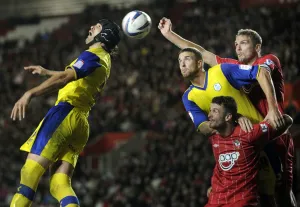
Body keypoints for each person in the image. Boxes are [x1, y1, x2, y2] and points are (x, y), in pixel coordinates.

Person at [158, 18, 296, 206]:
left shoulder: (268, 60)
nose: (238, 48)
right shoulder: (228, 68)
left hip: (273, 133)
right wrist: (169, 35)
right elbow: (202, 54)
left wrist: (272, 111)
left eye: (243, 43)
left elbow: (261, 72)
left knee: (282, 194)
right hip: (248, 140)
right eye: (236, 44)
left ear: (257, 46)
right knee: (260, 197)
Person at [9, 19, 121, 207]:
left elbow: (64, 78)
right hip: (80, 122)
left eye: (97, 26)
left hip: (64, 114)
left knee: (29, 173)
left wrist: (30, 93)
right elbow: (75, 77)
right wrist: (47, 72)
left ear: (105, 34)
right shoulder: (104, 59)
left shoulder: (93, 54)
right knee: (59, 184)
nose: (91, 27)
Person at [205, 96, 293, 207]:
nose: (209, 115)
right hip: (215, 200)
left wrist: (266, 136)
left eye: (215, 111)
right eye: (210, 110)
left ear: (228, 117)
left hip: (241, 201)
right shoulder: (214, 138)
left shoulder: (249, 133)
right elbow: (221, 165)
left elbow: (288, 120)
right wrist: (214, 185)